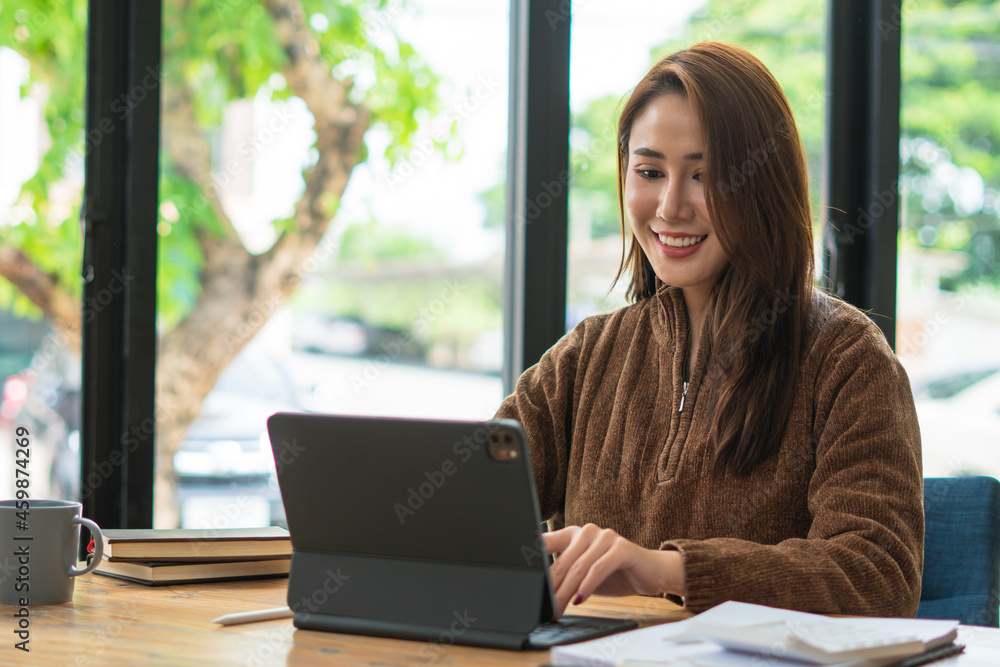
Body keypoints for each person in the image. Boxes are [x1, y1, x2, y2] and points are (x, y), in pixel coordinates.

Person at [494, 41, 923, 619]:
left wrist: (666, 569)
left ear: (762, 185)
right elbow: (470, 507)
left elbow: (878, 576)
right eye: (650, 171)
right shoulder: (588, 355)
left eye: (705, 175)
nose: (671, 207)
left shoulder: (847, 359)